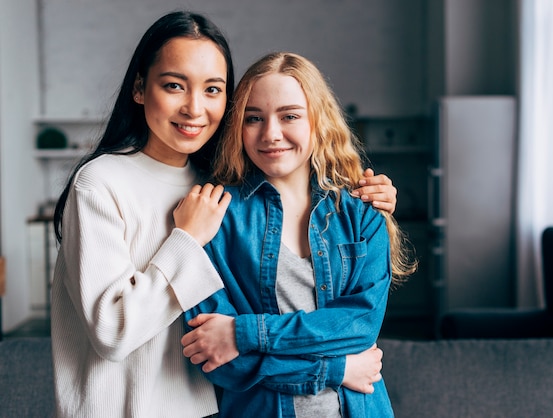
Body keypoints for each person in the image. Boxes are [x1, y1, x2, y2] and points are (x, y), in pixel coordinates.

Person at [50, 11, 399, 418]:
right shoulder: (103, 183)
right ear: (141, 88)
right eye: (174, 85)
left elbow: (357, 321)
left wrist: (373, 197)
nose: (194, 108)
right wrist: (335, 368)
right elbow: (119, 333)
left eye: (213, 89)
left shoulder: (215, 185)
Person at [182, 52, 417, 417]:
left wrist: (245, 334)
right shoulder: (214, 216)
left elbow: (360, 327)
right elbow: (220, 359)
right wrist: (337, 369)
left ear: (317, 121)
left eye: (289, 116)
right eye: (253, 118)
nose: (271, 134)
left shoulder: (362, 210)